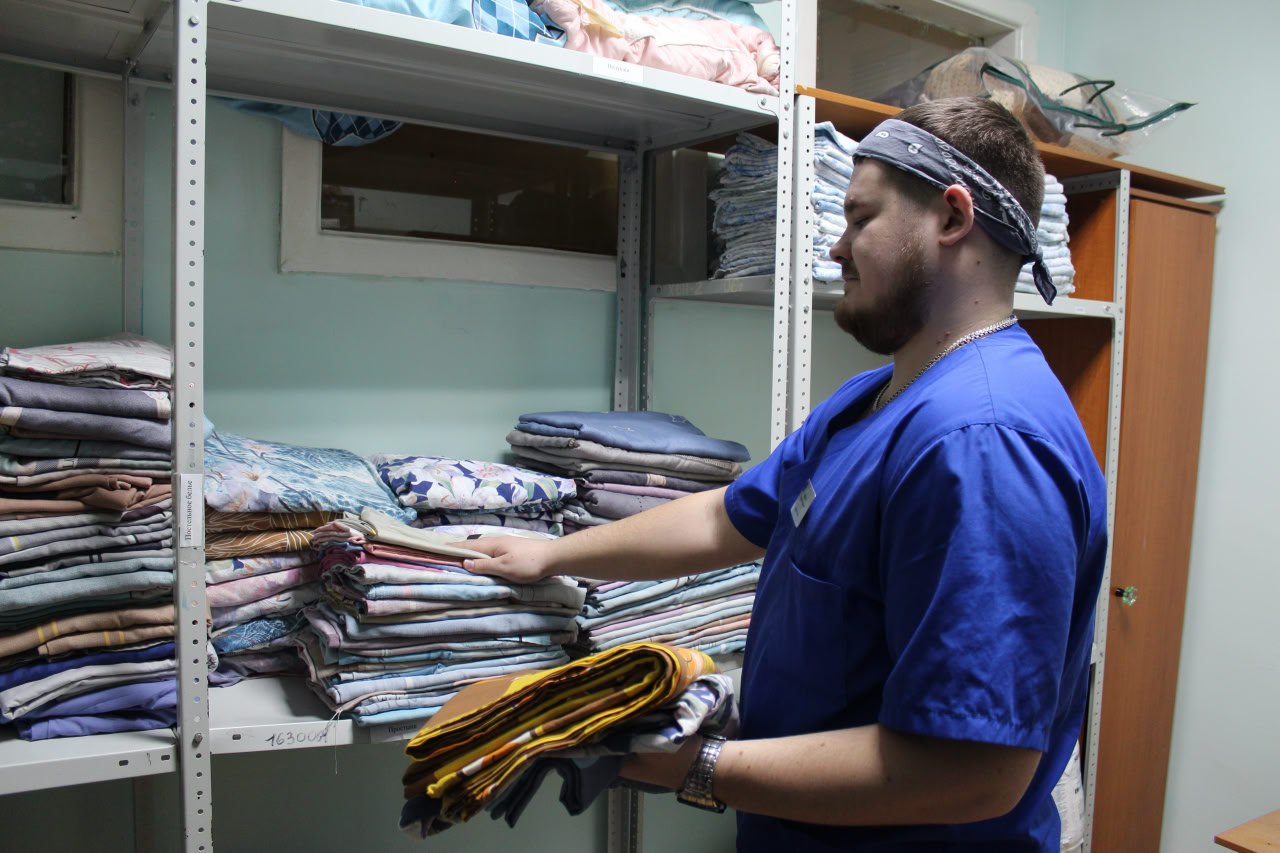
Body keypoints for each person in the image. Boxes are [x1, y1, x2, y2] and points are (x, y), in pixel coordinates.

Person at [460, 96, 1108, 852]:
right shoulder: (877, 398)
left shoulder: (983, 442)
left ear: (952, 218)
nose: (837, 247)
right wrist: (551, 555)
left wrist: (696, 766)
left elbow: (972, 772)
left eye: (860, 219)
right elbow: (727, 517)